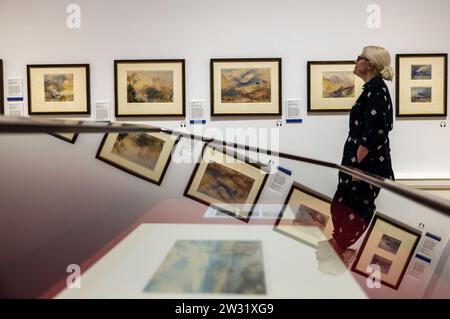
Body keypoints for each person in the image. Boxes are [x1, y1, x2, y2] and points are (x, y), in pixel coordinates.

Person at [317, 46, 395, 273]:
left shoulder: (376, 89)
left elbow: (379, 130)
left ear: (369, 65)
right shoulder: (373, 89)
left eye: (360, 57)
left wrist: (358, 163)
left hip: (363, 166)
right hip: (359, 165)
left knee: (354, 200)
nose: (356, 60)